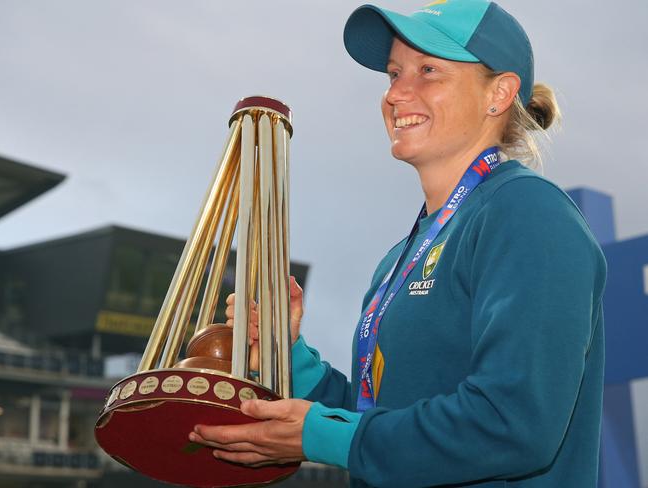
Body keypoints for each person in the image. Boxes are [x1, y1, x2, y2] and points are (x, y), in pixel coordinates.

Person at [189, 1, 607, 487]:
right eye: (393, 73)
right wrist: (289, 359)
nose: (396, 93)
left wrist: (320, 436)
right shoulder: (398, 259)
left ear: (500, 93)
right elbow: (381, 421)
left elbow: (512, 424)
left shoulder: (527, 213)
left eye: (429, 70)